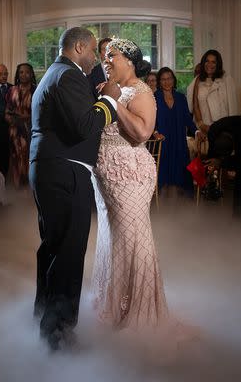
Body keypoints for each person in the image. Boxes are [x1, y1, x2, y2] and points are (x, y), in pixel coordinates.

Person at [29, 27, 119, 350]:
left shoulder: (56, 74)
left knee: (53, 247)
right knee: (68, 252)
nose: (96, 57)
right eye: (94, 50)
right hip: (65, 172)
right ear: (79, 46)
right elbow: (85, 126)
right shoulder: (67, 76)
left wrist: (95, 99)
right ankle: (58, 335)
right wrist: (109, 98)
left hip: (51, 169)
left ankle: (44, 316)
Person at [92, 39, 169, 329]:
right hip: (105, 179)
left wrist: (112, 101)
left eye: (112, 55)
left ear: (130, 60)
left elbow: (141, 133)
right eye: (104, 56)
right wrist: (108, 98)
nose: (106, 60)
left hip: (130, 176)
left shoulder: (141, 91)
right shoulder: (111, 88)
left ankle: (138, 312)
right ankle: (112, 306)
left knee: (132, 240)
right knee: (112, 239)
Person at [153, 67, 199, 195]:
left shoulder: (181, 98)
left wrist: (196, 132)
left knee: (182, 172)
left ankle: (182, 202)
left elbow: (187, 119)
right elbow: (151, 119)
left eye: (169, 79)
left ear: (173, 80)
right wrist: (155, 133)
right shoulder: (154, 97)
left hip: (179, 139)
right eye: (163, 79)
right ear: (159, 82)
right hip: (163, 139)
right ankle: (162, 199)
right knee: (164, 171)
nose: (167, 82)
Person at [187, 49, 238, 135]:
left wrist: (231, 129)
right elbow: (195, 105)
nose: (209, 64)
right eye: (207, 61)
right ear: (203, 62)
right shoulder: (197, 80)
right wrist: (201, 125)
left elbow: (232, 107)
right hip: (203, 128)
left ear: (218, 64)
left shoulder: (227, 79)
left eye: (213, 62)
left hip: (222, 128)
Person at [5, 63, 36, 188]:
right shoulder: (12, 90)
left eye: (27, 72)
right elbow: (7, 112)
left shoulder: (36, 90)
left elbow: (41, 113)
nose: (24, 75)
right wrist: (11, 119)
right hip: (14, 131)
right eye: (21, 72)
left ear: (31, 74)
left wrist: (26, 118)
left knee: (29, 159)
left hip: (31, 131)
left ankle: (30, 189)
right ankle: (18, 188)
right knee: (16, 159)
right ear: (18, 74)